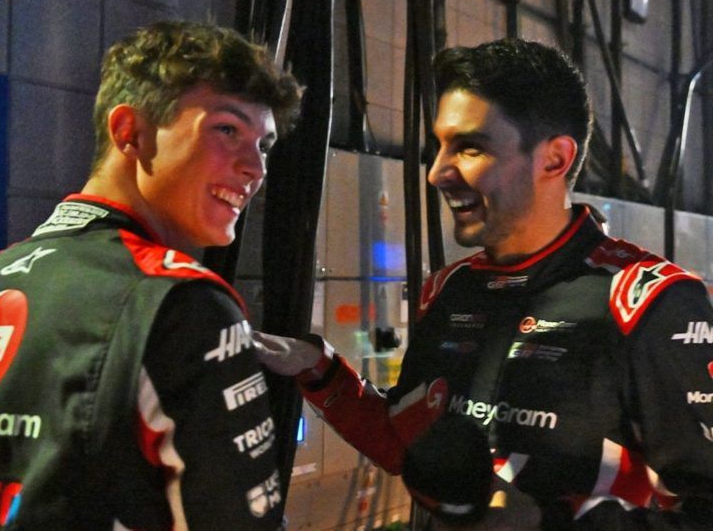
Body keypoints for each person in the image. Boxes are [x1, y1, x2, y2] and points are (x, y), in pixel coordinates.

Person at [256, 38, 713, 530]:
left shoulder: (649, 302)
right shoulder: (450, 290)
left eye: (470, 147)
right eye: (440, 146)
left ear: (554, 160)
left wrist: (543, 525)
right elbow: (409, 447)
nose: (437, 173)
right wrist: (318, 369)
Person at [0, 21, 301, 530]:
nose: (255, 168)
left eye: (263, 145)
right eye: (227, 130)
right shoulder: (181, 304)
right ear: (130, 132)